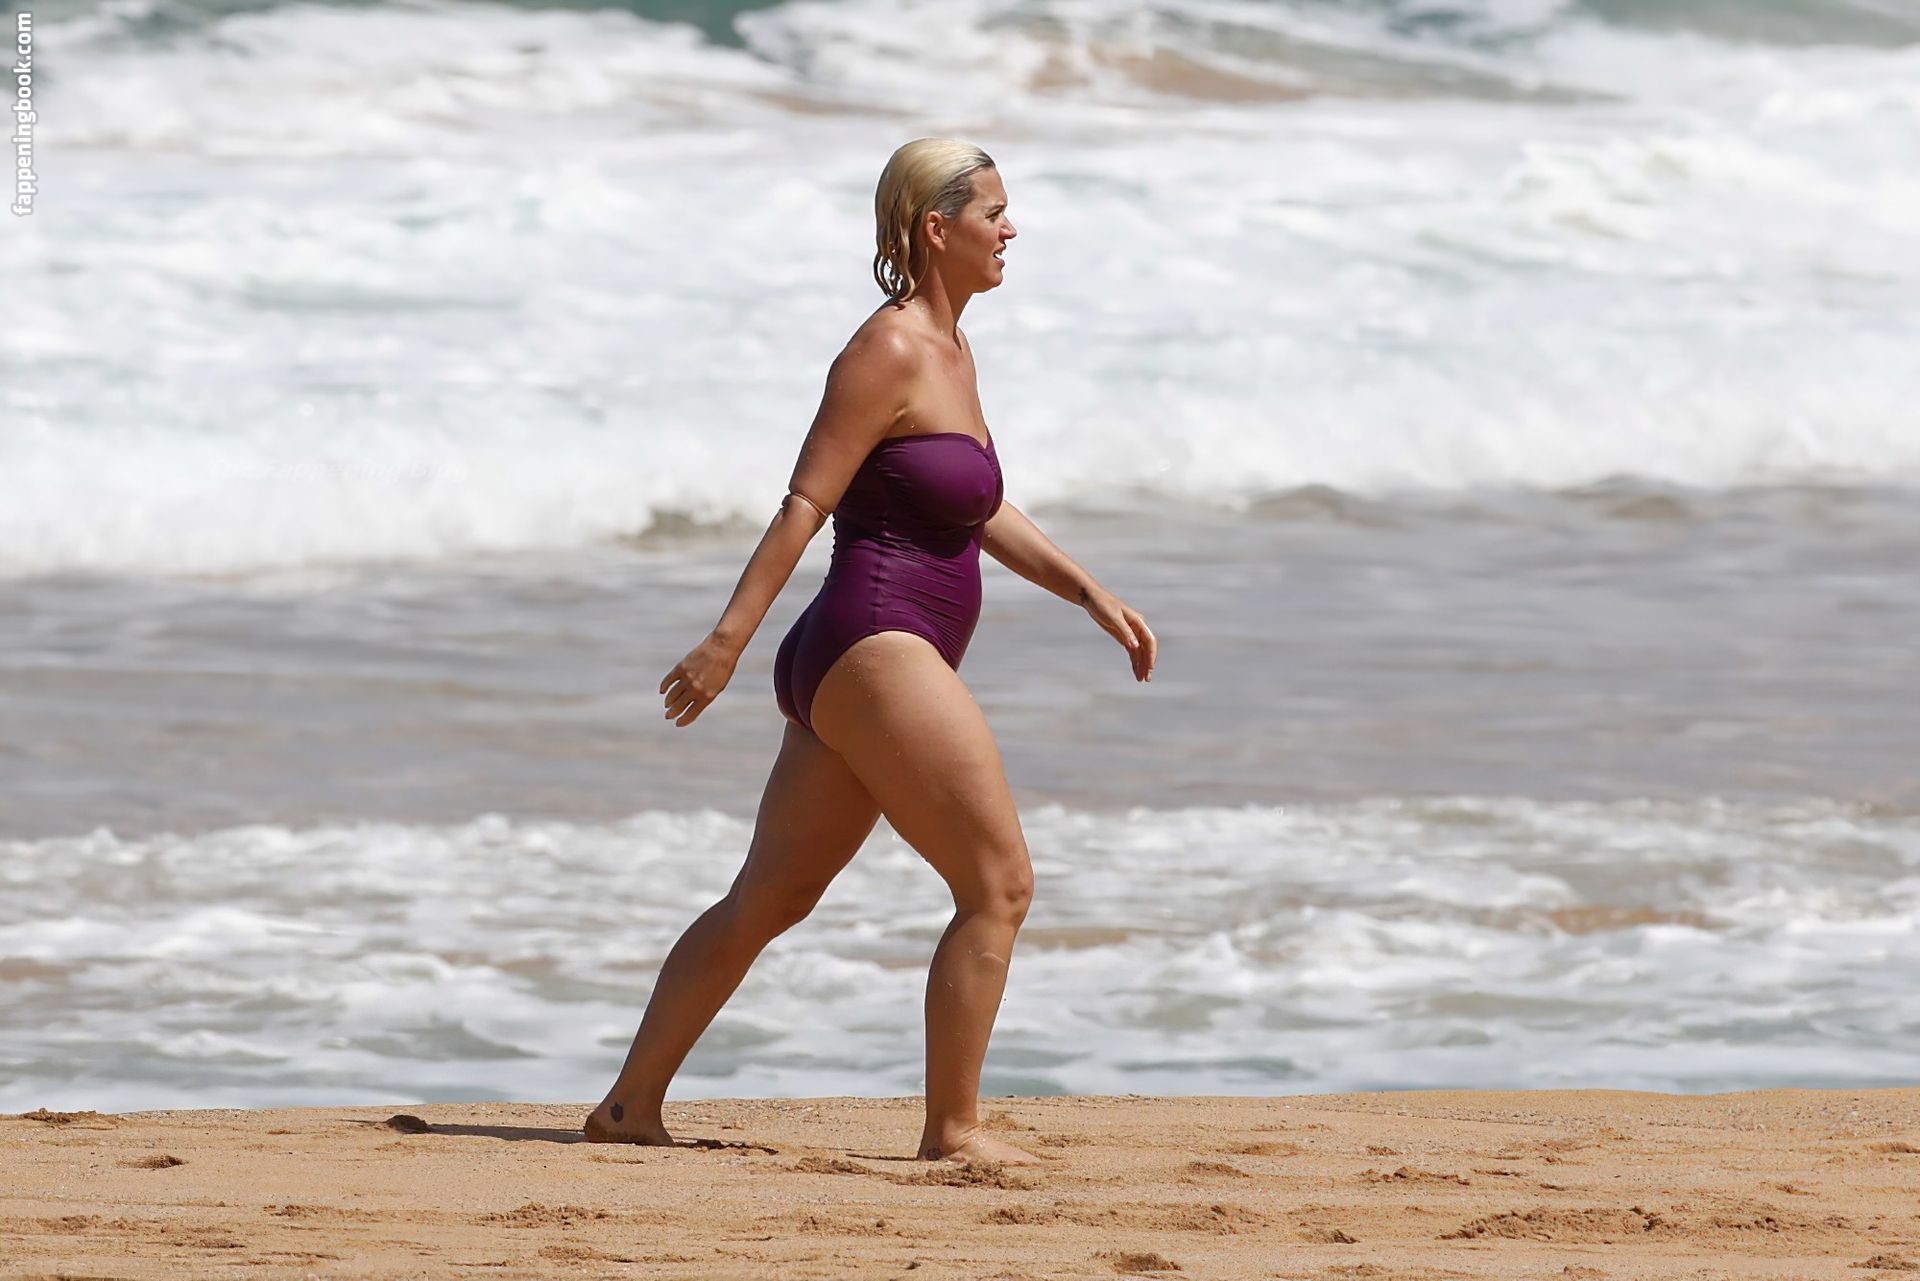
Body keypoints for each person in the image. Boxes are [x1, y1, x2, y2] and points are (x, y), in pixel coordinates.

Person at [583, 138, 1157, 1166]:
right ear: (937, 229)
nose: (1011, 229)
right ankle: (954, 1131)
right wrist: (724, 642)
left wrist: (1087, 591)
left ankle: (629, 1106)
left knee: (770, 897)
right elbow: (805, 503)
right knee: (999, 885)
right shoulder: (886, 349)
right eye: (993, 213)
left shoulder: (952, 349)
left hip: (863, 654)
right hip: (875, 643)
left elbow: (976, 506)